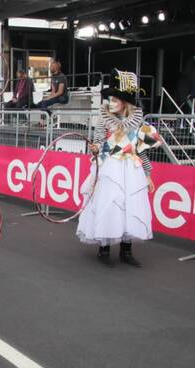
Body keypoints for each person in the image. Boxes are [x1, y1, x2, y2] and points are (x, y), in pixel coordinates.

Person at [77, 69, 161, 267]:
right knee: (109, 204)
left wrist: (148, 174)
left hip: (131, 169)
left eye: (115, 100)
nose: (111, 103)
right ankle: (104, 249)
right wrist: (96, 149)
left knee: (129, 207)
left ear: (125, 102)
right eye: (111, 100)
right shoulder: (103, 120)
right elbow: (97, 143)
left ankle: (126, 250)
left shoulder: (138, 123)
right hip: (109, 168)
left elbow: (141, 151)